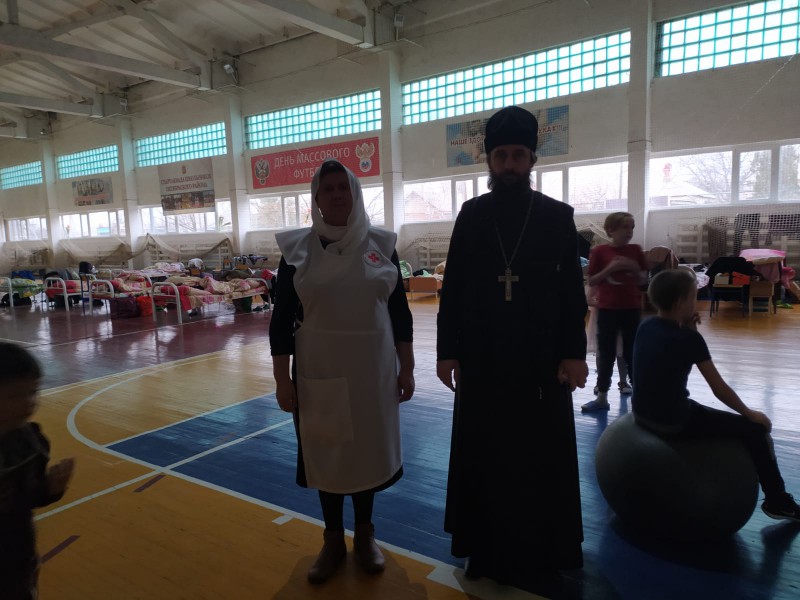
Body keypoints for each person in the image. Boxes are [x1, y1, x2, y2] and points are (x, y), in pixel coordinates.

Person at [436, 105, 588, 593]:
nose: (508, 165)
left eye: (517, 155)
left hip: (541, 361)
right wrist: (447, 349)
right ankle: (483, 547)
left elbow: (573, 295)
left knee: (540, 459)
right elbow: (453, 288)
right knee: (485, 456)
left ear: (532, 160)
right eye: (500, 155)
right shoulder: (472, 215)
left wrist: (575, 352)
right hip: (483, 359)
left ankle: (544, 553)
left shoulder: (557, 217)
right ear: (489, 160)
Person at [269, 159, 415, 584]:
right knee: (328, 453)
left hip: (373, 372)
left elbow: (400, 314)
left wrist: (407, 368)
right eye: (327, 189)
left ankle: (365, 535)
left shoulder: (381, 244)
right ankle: (332, 539)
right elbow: (281, 321)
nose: (336, 195)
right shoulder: (296, 251)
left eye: (342, 187)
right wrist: (282, 379)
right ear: (316, 198)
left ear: (355, 194)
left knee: (365, 452)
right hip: (319, 370)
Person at [633, 269, 800, 522]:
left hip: (641, 413)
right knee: (757, 432)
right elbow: (719, 389)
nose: (696, 302)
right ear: (680, 302)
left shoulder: (645, 326)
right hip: (673, 421)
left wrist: (689, 330)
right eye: (693, 297)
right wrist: (751, 414)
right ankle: (777, 500)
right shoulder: (689, 340)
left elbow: (662, 358)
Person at [0, 343, 75, 600]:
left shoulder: (32, 443)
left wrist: (50, 489)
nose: (28, 403)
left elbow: (28, 498)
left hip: (18, 559)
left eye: (33, 392)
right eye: (14, 396)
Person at [581, 212, 647, 412]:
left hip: (631, 310)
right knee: (606, 353)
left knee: (632, 353)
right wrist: (610, 269)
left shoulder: (635, 250)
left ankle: (639, 398)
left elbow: (643, 282)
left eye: (632, 227)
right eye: (625, 227)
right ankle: (602, 397)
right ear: (611, 230)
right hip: (607, 310)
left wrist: (634, 268)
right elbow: (592, 280)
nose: (629, 231)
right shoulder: (600, 251)